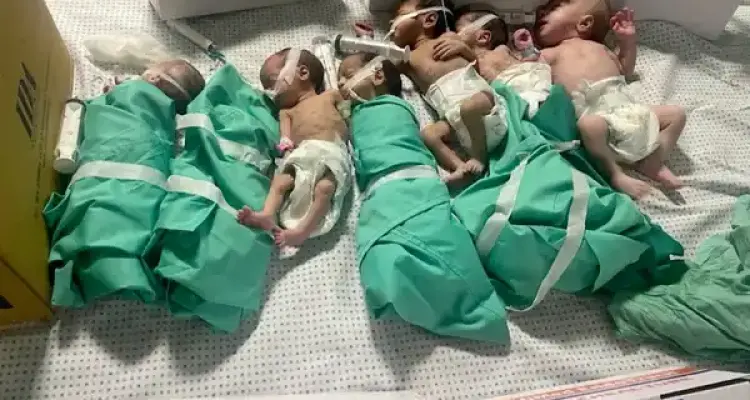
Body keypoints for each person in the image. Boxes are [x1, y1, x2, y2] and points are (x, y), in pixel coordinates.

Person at [536, 0, 686, 198]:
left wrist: (627, 42)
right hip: (598, 120)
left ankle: (654, 161)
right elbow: (532, 74)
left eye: (553, 8)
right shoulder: (548, 54)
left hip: (630, 111)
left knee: (677, 115)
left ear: (584, 23)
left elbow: (625, 70)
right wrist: (525, 51)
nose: (541, 13)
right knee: (589, 126)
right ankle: (615, 173)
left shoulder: (602, 48)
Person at [371, 0, 506, 184]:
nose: (391, 22)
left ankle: (479, 157)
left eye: (399, 15)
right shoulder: (405, 60)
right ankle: (460, 167)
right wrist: (367, 39)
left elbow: (477, 67)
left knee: (468, 108)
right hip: (457, 122)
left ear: (429, 20)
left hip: (485, 105)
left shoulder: (449, 37)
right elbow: (381, 67)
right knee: (429, 135)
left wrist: (465, 50)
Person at [238, 48, 352, 247]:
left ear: (303, 73)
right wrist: (285, 145)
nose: (271, 93)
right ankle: (267, 214)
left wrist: (348, 108)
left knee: (325, 188)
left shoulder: (330, 95)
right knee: (280, 181)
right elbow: (285, 137)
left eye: (273, 83)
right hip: (303, 152)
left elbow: (348, 114)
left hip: (333, 151)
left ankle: (301, 231)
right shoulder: (286, 112)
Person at [453, 7, 552, 117]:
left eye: (457, 32)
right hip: (514, 102)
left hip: (528, 92)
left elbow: (527, 63)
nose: (452, 36)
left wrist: (527, 48)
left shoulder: (500, 51)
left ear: (483, 37)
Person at [104, 59, 205, 113]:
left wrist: (112, 92)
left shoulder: (134, 91)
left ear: (153, 79)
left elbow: (120, 105)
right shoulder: (166, 117)